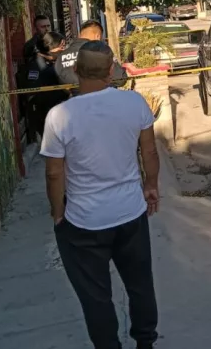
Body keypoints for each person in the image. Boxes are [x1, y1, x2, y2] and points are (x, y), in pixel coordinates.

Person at [41, 40, 160, 349]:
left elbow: (54, 173)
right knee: (140, 286)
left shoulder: (59, 116)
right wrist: (151, 186)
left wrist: (57, 212)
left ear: (76, 71)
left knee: (96, 297)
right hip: (131, 215)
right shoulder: (134, 103)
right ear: (111, 71)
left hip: (84, 222)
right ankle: (145, 342)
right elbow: (149, 151)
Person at [54, 20, 127, 94]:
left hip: (72, 102)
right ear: (98, 36)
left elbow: (59, 83)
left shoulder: (61, 56)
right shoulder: (100, 51)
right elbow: (120, 78)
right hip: (101, 99)